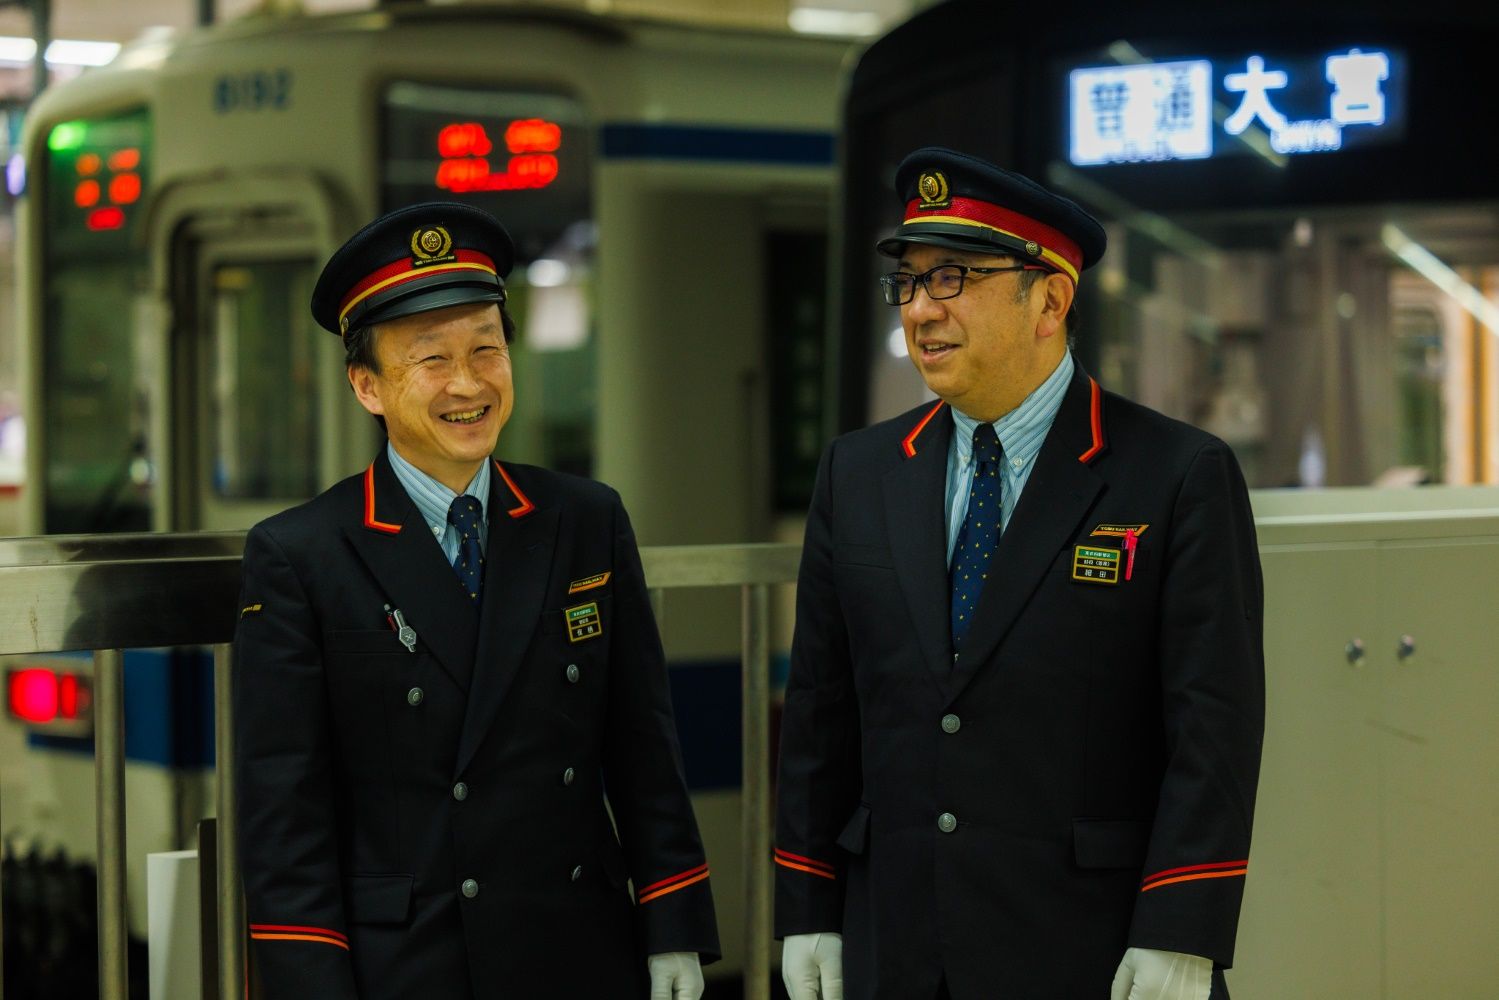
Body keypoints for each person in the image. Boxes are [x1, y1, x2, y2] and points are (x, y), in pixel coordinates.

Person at [774, 148, 1264, 999]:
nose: (920, 310)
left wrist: (1181, 926)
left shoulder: (1172, 474)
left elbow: (1213, 724)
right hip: (898, 937)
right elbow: (821, 711)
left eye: (953, 278)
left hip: (1093, 945)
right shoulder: (859, 473)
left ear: (1050, 299)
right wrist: (807, 902)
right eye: (910, 283)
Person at [234, 202, 719, 999]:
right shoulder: (303, 555)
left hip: (579, 954)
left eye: (486, 350)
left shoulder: (583, 520)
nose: (468, 384)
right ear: (367, 386)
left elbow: (642, 745)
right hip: (411, 968)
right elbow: (285, 817)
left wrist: (672, 921)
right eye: (431, 360)